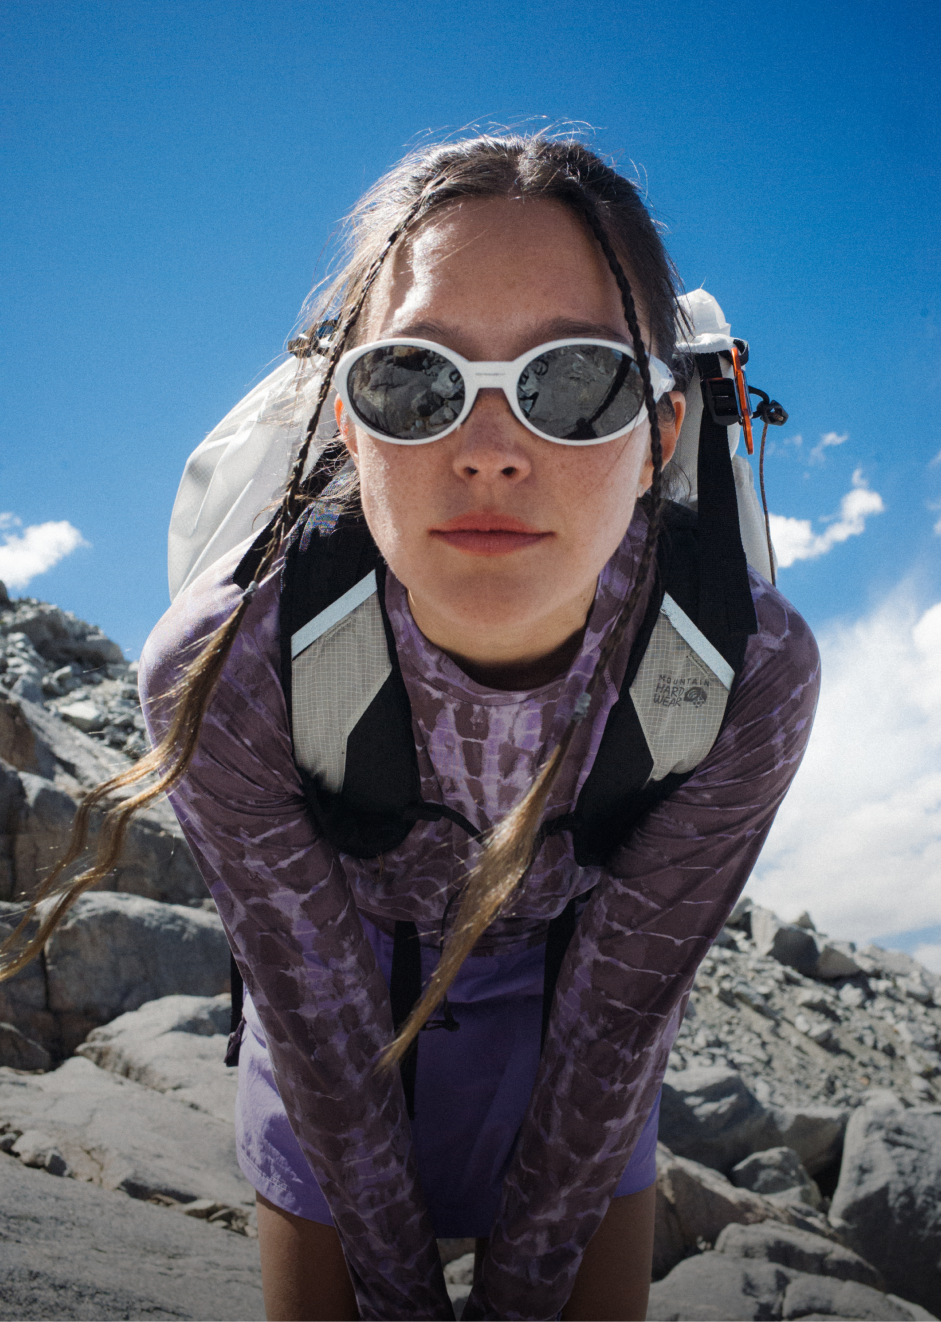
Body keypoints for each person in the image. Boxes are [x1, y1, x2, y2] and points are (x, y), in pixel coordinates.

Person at [1, 135, 819, 1322]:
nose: (488, 447)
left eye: (574, 380)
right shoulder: (227, 663)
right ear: (348, 424)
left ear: (657, 435)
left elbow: (615, 1027)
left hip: (576, 1016)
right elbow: (321, 1035)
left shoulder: (742, 668)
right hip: (333, 1009)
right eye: (415, 382)